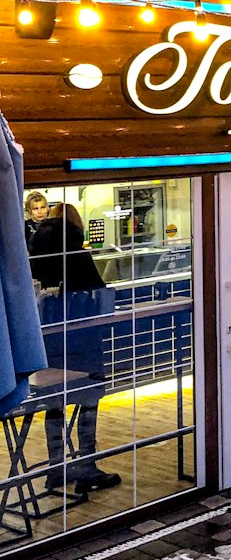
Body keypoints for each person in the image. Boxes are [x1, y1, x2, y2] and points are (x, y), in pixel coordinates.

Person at [29, 202, 121, 494]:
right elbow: (99, 295)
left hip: (49, 342)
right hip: (83, 340)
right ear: (75, 228)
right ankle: (86, 465)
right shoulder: (77, 255)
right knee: (89, 399)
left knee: (54, 404)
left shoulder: (35, 257)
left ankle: (57, 467)